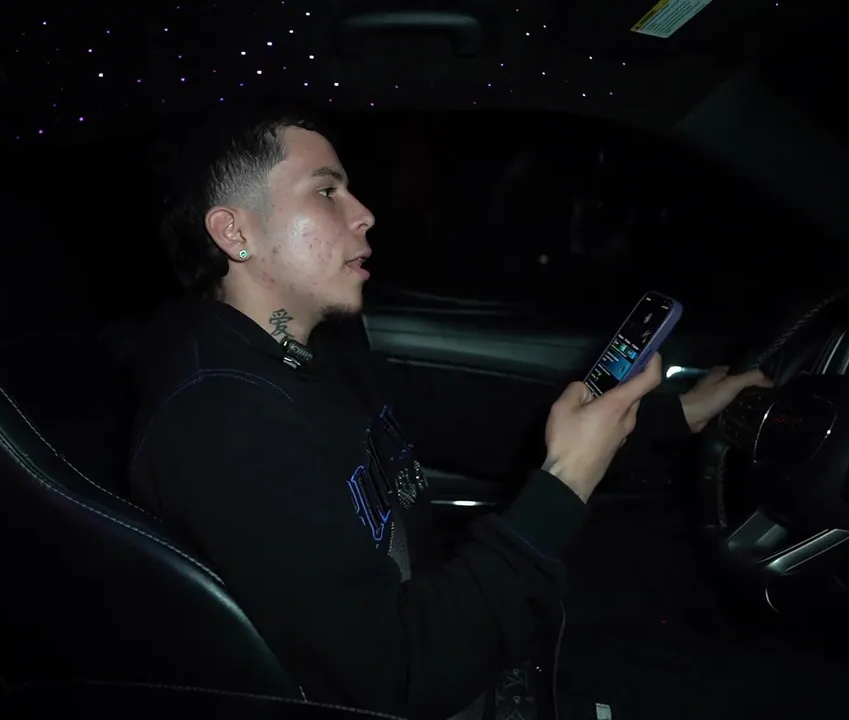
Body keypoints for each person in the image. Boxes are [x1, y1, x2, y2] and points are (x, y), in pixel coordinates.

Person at [126, 109, 777, 720]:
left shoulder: (311, 351)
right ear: (235, 232)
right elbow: (397, 677)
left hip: (459, 628)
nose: (364, 214)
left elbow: (464, 418)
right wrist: (566, 480)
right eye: (326, 192)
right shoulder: (221, 421)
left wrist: (672, 415)